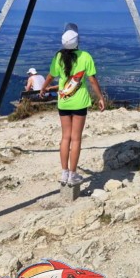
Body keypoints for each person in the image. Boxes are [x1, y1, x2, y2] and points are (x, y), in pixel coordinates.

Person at [40, 24, 105, 187]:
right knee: (76, 139)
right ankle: (73, 174)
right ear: (77, 41)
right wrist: (100, 97)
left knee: (65, 138)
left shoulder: (58, 57)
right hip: (80, 102)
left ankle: (64, 173)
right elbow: (92, 80)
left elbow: (50, 75)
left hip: (63, 101)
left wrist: (43, 88)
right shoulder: (85, 56)